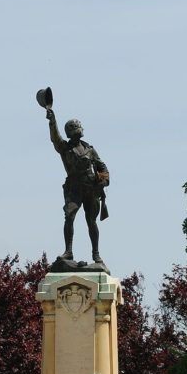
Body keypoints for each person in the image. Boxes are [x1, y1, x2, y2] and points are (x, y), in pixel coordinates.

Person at [46, 108, 109, 263]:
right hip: (74, 188)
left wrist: (102, 181)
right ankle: (68, 251)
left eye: (78, 127)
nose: (78, 130)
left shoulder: (90, 150)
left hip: (91, 189)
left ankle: (96, 254)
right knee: (69, 216)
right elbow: (55, 138)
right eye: (74, 128)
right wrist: (52, 121)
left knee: (91, 221)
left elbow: (103, 167)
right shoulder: (65, 148)